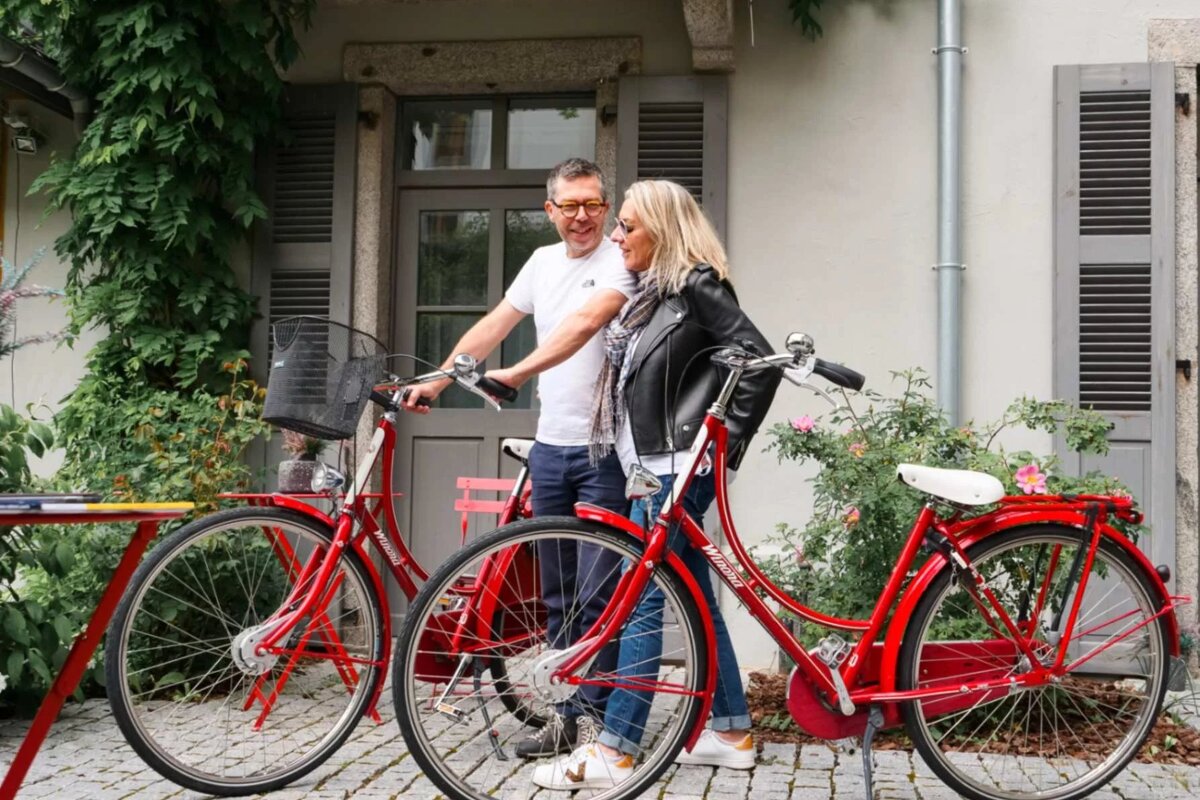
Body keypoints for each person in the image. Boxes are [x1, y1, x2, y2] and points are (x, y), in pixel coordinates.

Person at [531, 179, 781, 790]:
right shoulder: (654, 293)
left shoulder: (697, 284)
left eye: (628, 226)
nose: (616, 236)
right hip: (649, 467)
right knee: (694, 596)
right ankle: (730, 731)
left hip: (676, 467)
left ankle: (614, 751)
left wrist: (716, 447)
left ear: (663, 230)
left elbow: (758, 357)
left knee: (642, 597)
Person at [402, 157, 635, 757]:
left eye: (593, 205)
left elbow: (585, 324)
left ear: (605, 207)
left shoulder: (621, 259)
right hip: (551, 447)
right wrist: (437, 379)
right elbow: (493, 325)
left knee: (596, 588)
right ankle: (567, 714)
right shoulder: (540, 263)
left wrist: (515, 372)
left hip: (606, 449)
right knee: (556, 591)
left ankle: (597, 724)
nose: (582, 217)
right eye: (570, 206)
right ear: (549, 209)